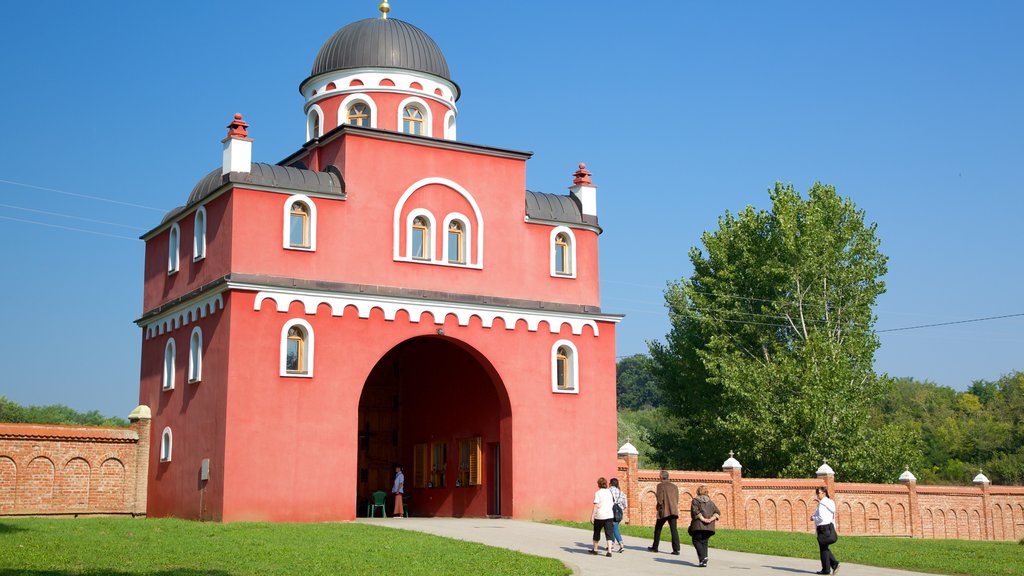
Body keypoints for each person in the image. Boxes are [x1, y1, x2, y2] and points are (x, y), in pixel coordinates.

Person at [647, 470, 680, 555]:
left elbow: (660, 499)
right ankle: (676, 549)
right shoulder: (674, 486)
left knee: (658, 528)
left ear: (661, 477)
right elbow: (676, 499)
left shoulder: (660, 485)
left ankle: (655, 547)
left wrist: (658, 507)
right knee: (674, 530)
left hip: (664, 510)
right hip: (673, 510)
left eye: (659, 476)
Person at [688, 484, 721, 567]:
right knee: (704, 542)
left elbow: (695, 511)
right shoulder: (711, 502)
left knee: (696, 541)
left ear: (698, 491)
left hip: (698, 526)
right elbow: (717, 512)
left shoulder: (695, 500)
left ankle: (703, 557)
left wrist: (703, 519)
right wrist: (711, 519)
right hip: (709, 527)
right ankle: (703, 561)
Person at [811, 486, 840, 574]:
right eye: (817, 493)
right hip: (829, 527)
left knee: (823, 548)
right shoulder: (830, 502)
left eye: (818, 493)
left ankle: (829, 567)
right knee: (825, 548)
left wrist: (813, 518)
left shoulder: (822, 504)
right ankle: (831, 566)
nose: (817, 495)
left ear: (824, 493)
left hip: (823, 528)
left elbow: (821, 518)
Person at [590, 477, 615, 557]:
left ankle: (595, 549)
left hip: (600, 516)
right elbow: (613, 502)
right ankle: (609, 551)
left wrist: (592, 516)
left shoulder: (598, 493)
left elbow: (596, 505)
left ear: (598, 484)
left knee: (597, 532)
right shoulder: (610, 492)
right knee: (609, 533)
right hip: (609, 515)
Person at [609, 477, 628, 552]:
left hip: (610, 512)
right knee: (613, 528)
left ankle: (621, 545)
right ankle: (612, 545)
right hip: (619, 513)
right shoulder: (621, 493)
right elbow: (625, 505)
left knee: (614, 528)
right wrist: (620, 509)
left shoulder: (608, 491)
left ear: (610, 483)